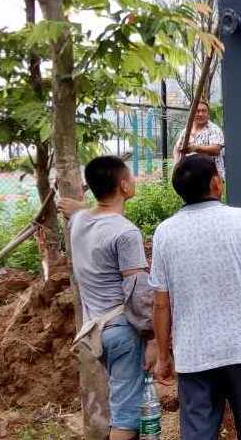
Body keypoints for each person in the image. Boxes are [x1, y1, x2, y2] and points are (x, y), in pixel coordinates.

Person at [150, 154, 241, 439]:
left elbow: (161, 303)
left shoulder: (164, 233)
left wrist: (163, 356)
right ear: (216, 183)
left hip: (194, 356)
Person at [61, 155, 157, 440]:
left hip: (97, 330)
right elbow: (137, 290)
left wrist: (78, 207)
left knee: (126, 405)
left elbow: (82, 213)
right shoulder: (126, 232)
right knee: (127, 418)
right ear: (124, 186)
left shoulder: (78, 223)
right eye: (130, 177)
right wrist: (153, 338)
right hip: (124, 330)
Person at [173, 100, 226, 178]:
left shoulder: (214, 130)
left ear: (208, 114)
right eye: (197, 111)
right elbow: (177, 148)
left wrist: (196, 148)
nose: (200, 114)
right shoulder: (186, 131)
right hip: (190, 177)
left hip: (211, 178)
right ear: (191, 113)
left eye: (203, 111)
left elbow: (216, 149)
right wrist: (177, 163)